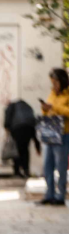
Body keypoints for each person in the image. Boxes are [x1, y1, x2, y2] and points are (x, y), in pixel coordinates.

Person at [38, 68, 69, 206]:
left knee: (60, 166)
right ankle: (49, 194)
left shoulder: (67, 94)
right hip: (50, 133)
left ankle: (60, 195)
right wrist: (44, 109)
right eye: (52, 82)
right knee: (47, 165)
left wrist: (54, 107)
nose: (53, 85)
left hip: (63, 134)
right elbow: (47, 111)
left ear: (62, 81)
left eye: (55, 82)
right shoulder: (52, 93)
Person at [3, 98, 39, 178]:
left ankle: (17, 171)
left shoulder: (11, 106)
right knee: (25, 150)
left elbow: (7, 119)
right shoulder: (27, 107)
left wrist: (7, 128)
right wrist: (37, 145)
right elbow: (33, 124)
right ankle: (26, 170)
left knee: (17, 150)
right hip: (29, 128)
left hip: (17, 129)